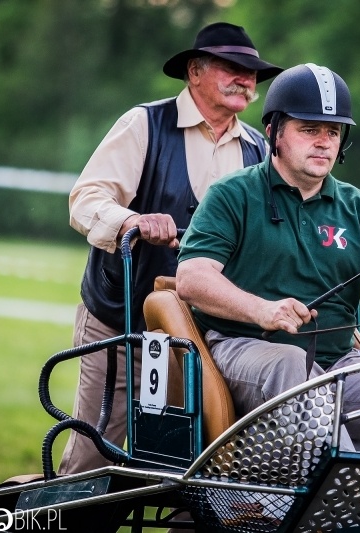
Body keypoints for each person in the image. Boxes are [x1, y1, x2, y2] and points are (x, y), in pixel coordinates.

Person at [176, 63, 360, 460]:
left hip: (339, 362)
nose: (323, 142)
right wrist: (261, 310)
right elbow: (191, 278)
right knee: (291, 364)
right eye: (309, 130)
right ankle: (349, 484)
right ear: (274, 133)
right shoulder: (233, 194)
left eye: (333, 132)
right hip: (244, 351)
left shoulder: (359, 208)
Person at [60, 22, 283, 475]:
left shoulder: (260, 150)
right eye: (233, 68)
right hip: (122, 326)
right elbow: (86, 199)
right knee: (94, 458)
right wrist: (132, 220)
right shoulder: (144, 123)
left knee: (197, 470)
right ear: (194, 71)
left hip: (206, 339)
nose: (247, 79)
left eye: (253, 72)